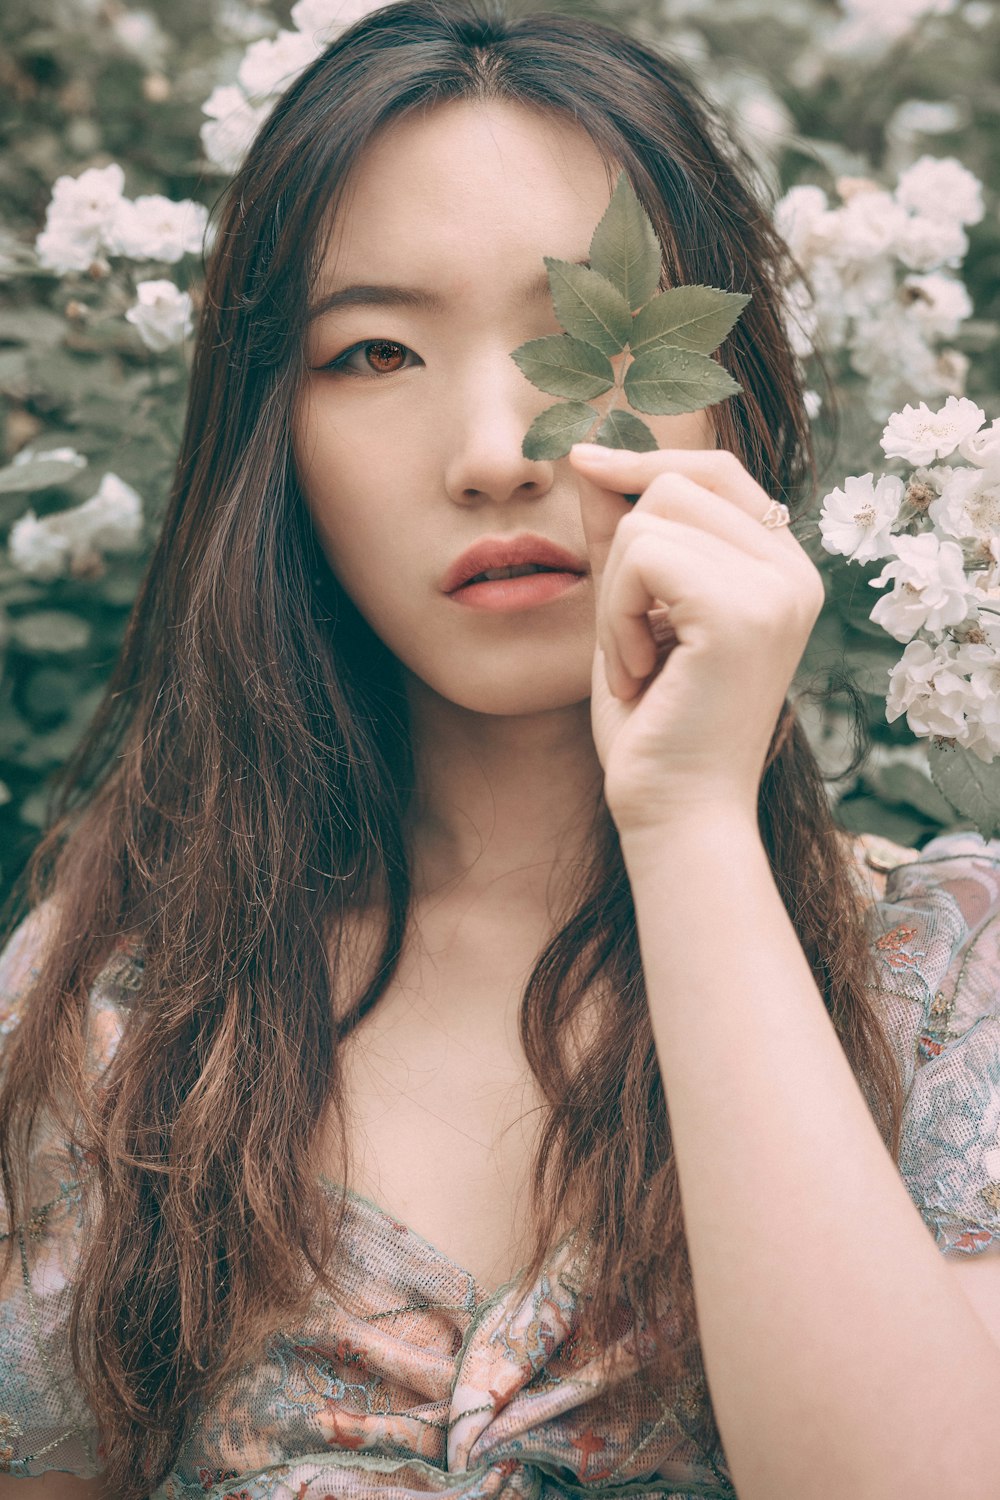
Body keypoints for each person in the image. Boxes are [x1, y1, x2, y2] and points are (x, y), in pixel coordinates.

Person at [2, 1, 999, 1496]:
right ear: (274, 444)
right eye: (377, 351)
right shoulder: (120, 1016)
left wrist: (688, 826)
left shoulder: (943, 980)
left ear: (743, 404)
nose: (494, 448)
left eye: (583, 339)